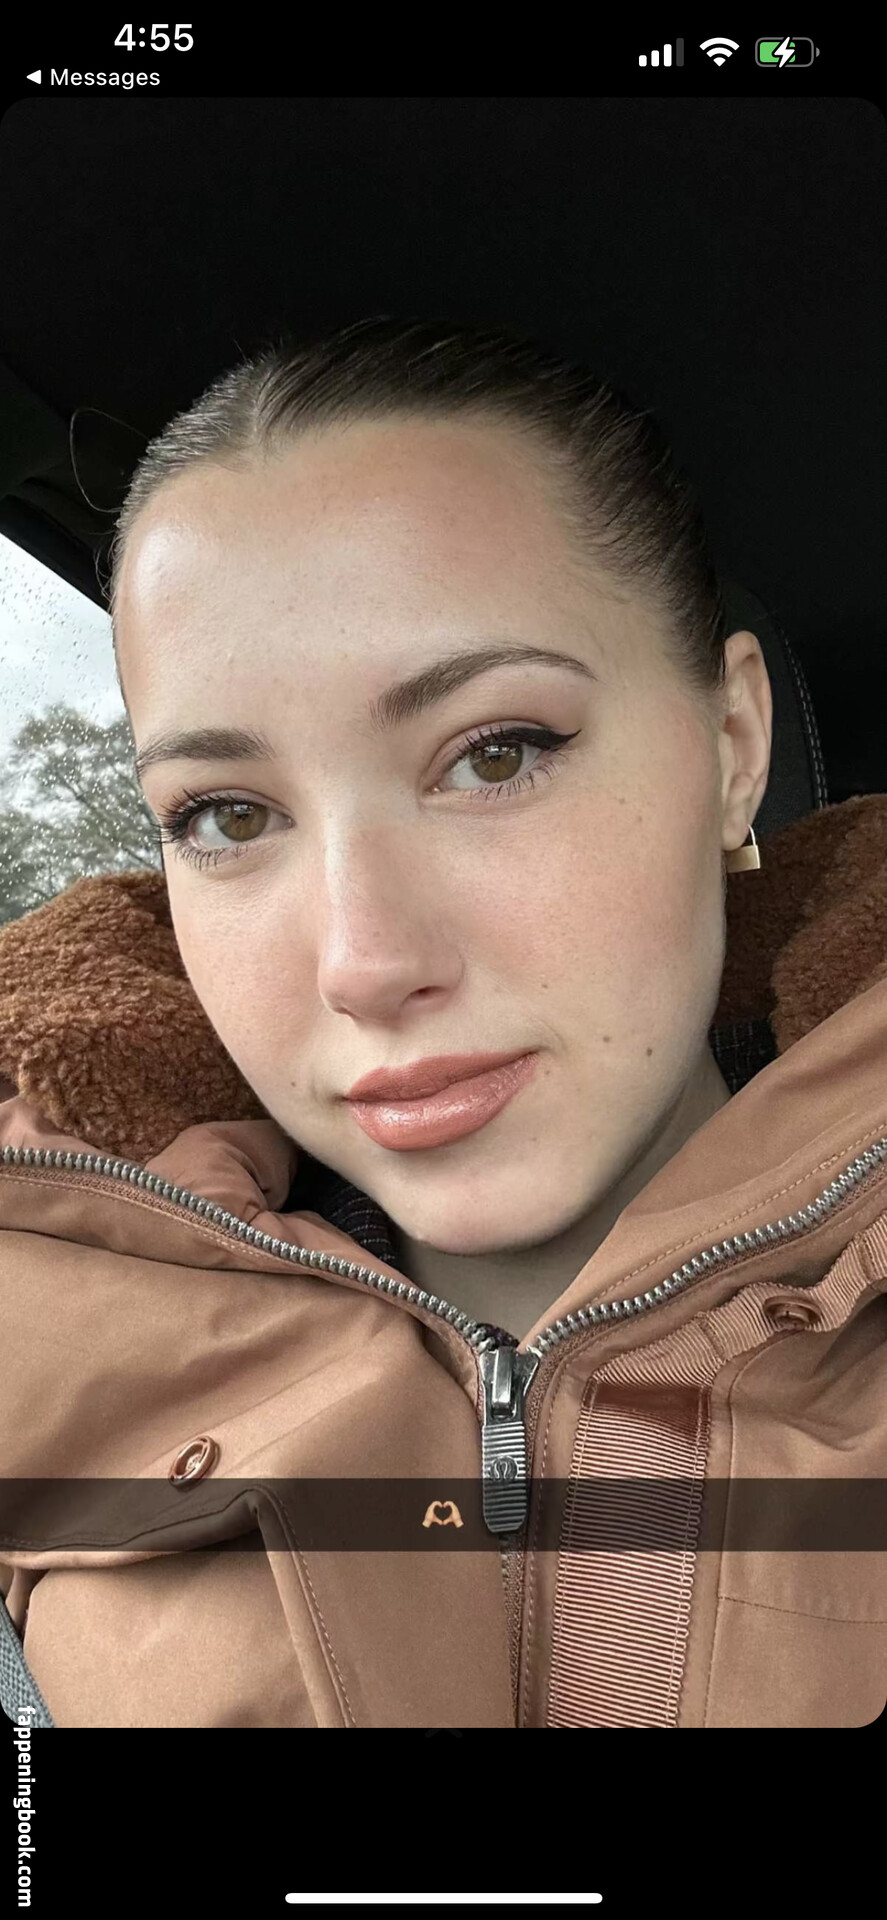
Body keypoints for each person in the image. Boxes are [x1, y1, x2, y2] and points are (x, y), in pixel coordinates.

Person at [1, 315, 885, 1728]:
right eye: (227, 817)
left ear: (733, 748)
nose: (364, 962)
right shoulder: (42, 1368)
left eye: (495, 754)